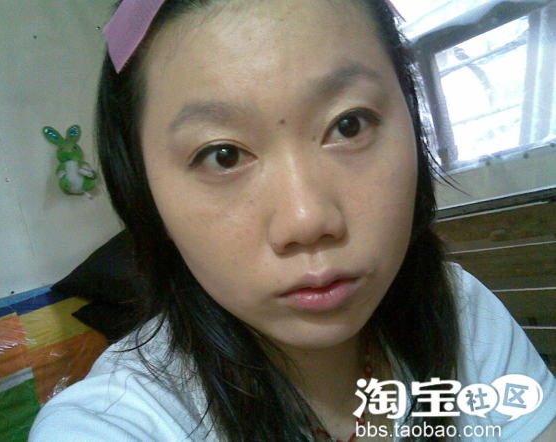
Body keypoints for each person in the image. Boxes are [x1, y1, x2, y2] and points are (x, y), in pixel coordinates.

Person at [29, 0, 556, 440]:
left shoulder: (460, 310)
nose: (307, 220)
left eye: (349, 125)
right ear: (145, 196)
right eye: (222, 156)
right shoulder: (115, 420)